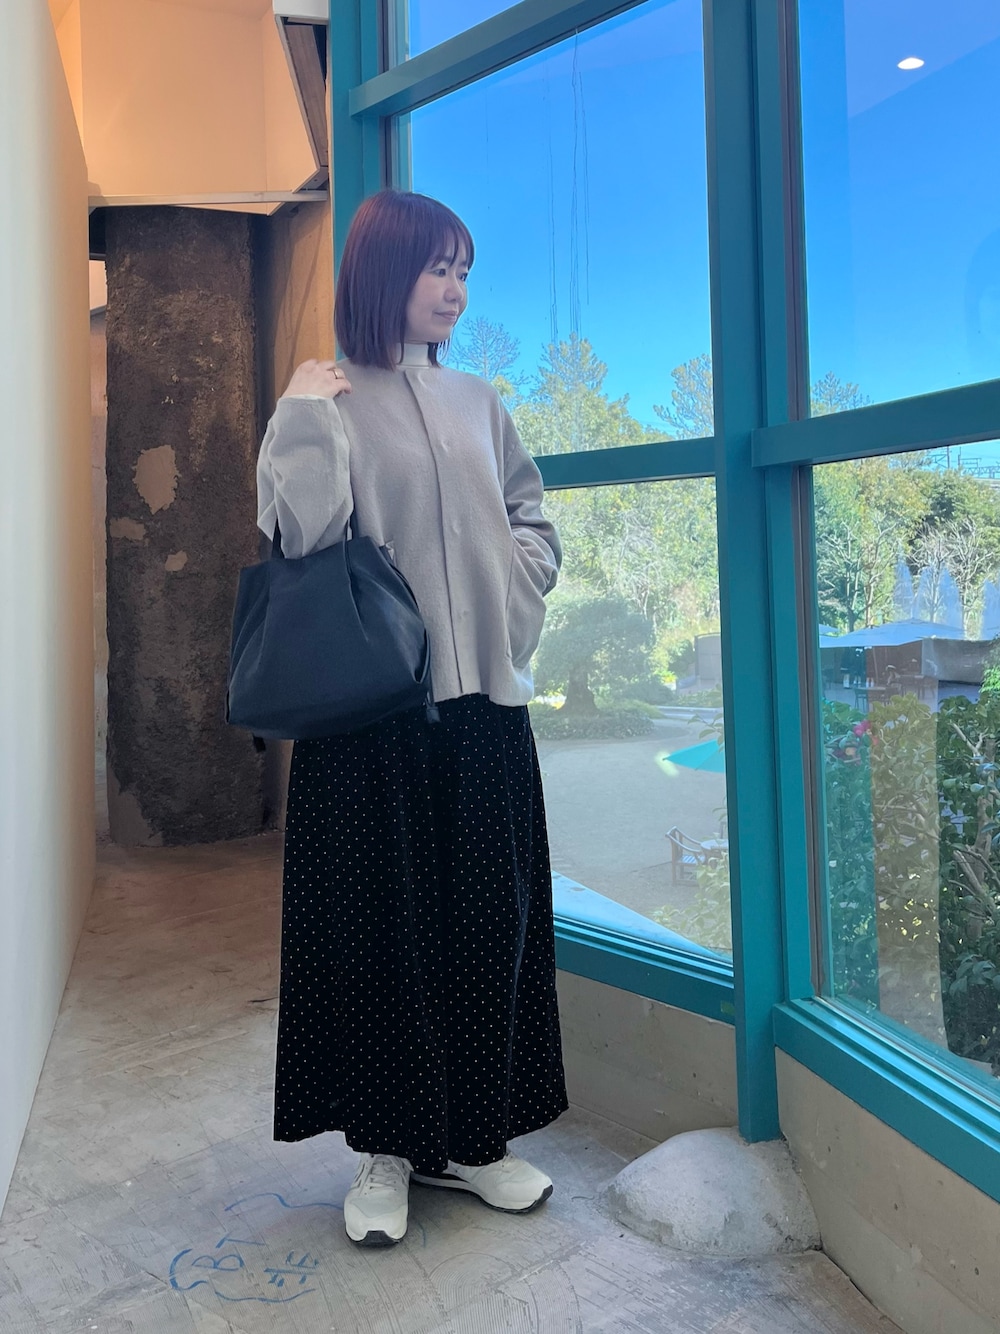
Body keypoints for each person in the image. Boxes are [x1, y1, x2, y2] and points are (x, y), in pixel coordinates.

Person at [256, 189, 569, 1247]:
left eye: (464, 271)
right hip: (371, 719)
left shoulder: (480, 399)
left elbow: (531, 515)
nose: (455, 290)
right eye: (438, 267)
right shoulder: (324, 400)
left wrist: (515, 585)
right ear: (384, 270)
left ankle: (474, 1141)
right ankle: (385, 1152)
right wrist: (306, 414)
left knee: (489, 929)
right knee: (379, 938)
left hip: (484, 707)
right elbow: (302, 539)